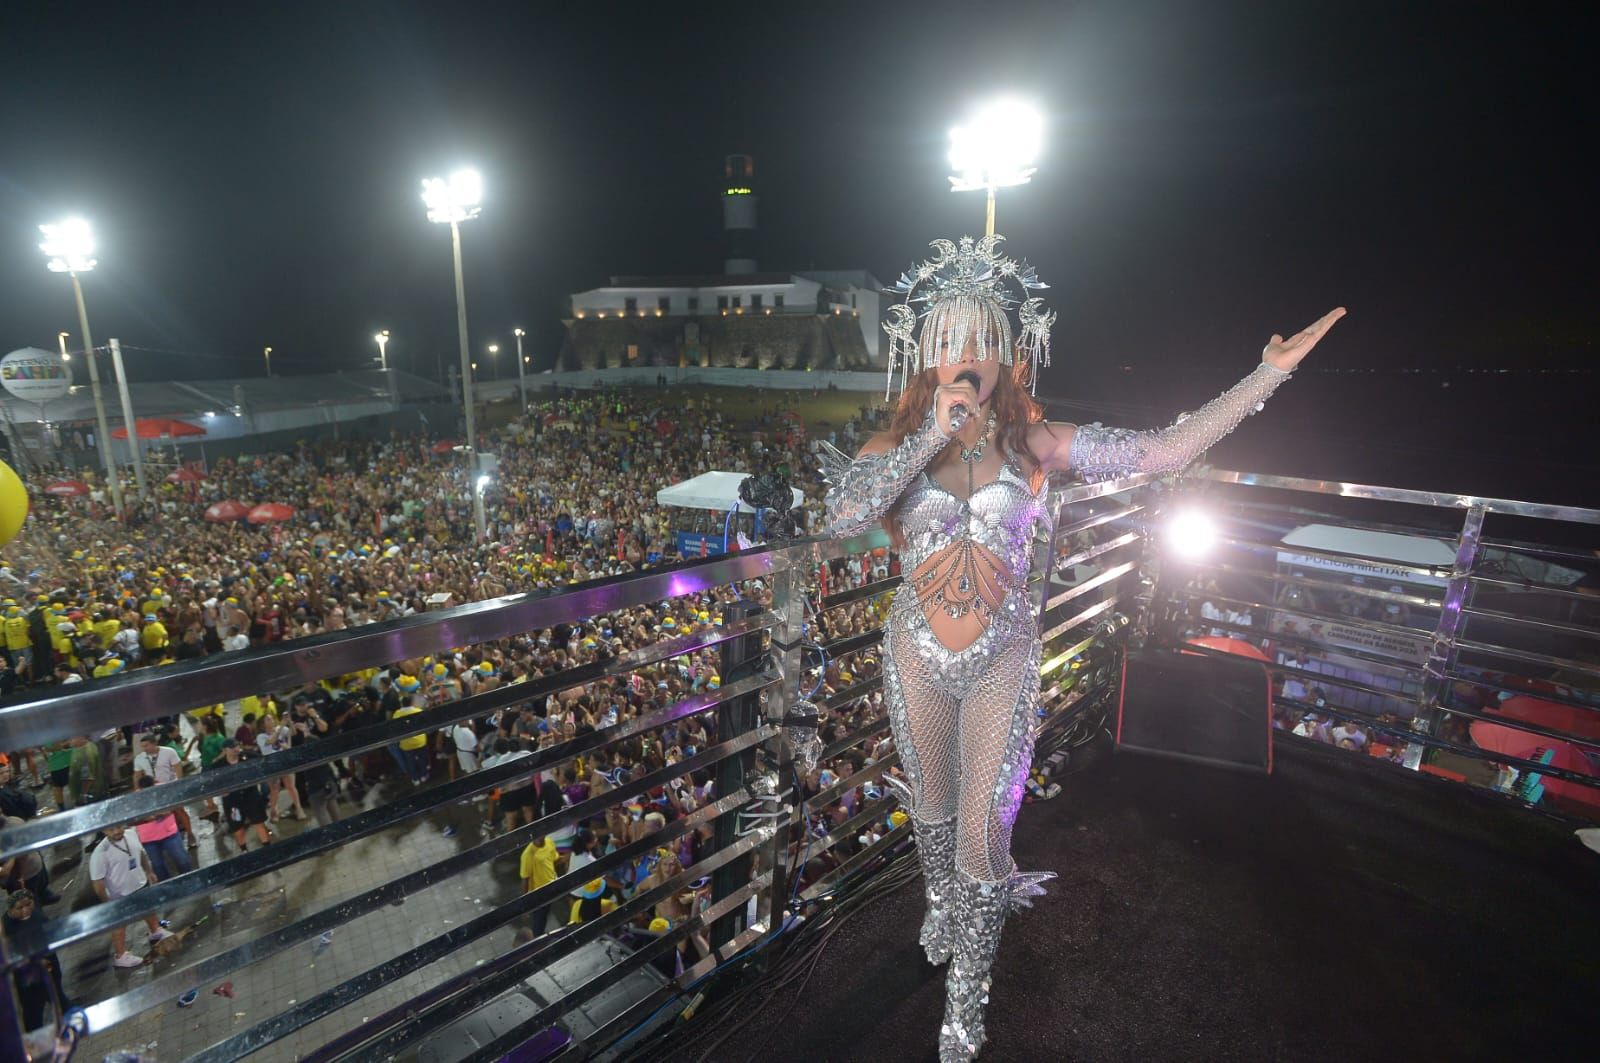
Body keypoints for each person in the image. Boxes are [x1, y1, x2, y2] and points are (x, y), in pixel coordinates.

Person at [819, 234, 1342, 1060]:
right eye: (951, 341)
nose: (969, 357)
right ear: (925, 355)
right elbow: (843, 516)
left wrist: (1268, 374)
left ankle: (964, 1007)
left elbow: (1160, 450)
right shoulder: (893, 448)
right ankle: (941, 905)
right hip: (914, 652)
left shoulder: (1037, 447)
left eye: (985, 340)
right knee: (930, 809)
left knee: (984, 838)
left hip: (1003, 660)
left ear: (1009, 354)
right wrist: (929, 436)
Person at [88, 824, 173, 967]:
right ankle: (120, 956)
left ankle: (155, 930)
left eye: (118, 827)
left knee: (148, 908)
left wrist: (148, 871)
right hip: (120, 894)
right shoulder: (99, 854)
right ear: (103, 831)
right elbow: (97, 882)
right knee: (120, 926)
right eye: (111, 829)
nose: (116, 831)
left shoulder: (131, 834)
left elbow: (141, 854)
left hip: (140, 882)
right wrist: (106, 901)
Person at [3, 889, 68, 1031]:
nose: (25, 910)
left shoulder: (38, 915)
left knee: (57, 994)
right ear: (11, 909)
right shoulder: (6, 926)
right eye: (20, 908)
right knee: (32, 1010)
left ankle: (68, 1014)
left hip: (49, 967)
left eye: (28, 905)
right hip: (27, 976)